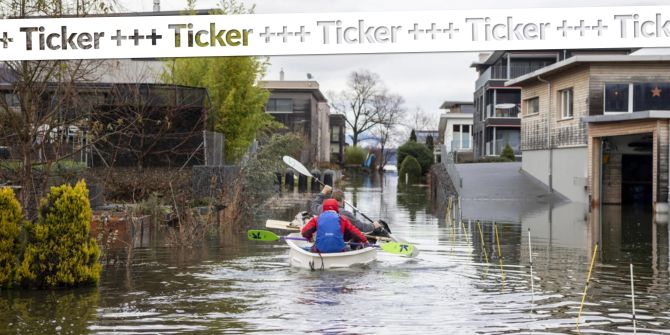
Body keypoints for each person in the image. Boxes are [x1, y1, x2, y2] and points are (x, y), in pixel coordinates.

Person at [309, 185, 385, 235]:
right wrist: (373, 225)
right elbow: (363, 228)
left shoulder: (322, 209)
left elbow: (314, 205)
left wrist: (324, 191)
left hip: (323, 241)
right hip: (341, 241)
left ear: (331, 199)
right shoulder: (345, 214)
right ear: (342, 200)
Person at [301, 199, 368, 253]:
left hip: (320, 250)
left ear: (324, 208)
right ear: (336, 208)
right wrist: (365, 241)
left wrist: (309, 238)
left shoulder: (317, 219)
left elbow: (304, 232)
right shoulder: (343, 219)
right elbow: (356, 232)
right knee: (348, 247)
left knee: (311, 249)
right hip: (339, 250)